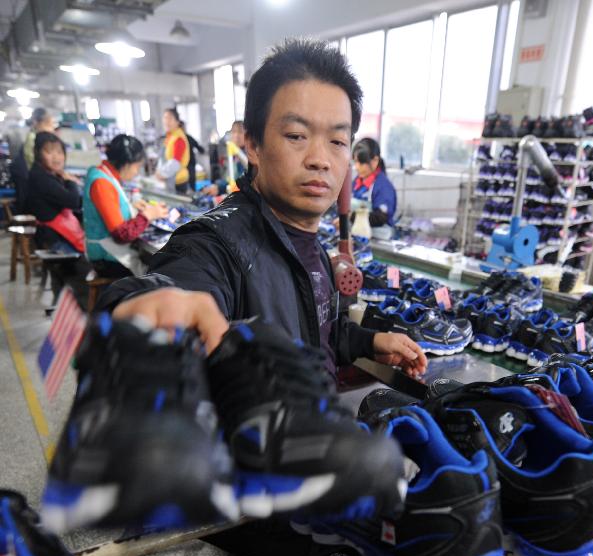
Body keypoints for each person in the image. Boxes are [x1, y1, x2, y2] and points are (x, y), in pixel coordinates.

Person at [100, 39, 427, 381]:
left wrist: (369, 341)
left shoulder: (310, 245)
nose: (319, 159)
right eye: (297, 135)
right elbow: (176, 286)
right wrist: (134, 312)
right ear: (254, 145)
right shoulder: (216, 247)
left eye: (337, 141)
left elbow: (316, 332)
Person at [83, 134, 169, 279]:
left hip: (109, 252)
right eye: (137, 167)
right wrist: (148, 215)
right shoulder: (102, 183)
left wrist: (132, 206)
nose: (136, 172)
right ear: (127, 164)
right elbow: (121, 234)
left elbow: (112, 205)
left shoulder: (104, 173)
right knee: (163, 276)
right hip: (107, 258)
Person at [26, 132, 83, 254]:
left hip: (57, 234)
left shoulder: (48, 174)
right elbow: (74, 201)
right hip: (54, 240)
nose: (56, 157)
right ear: (38, 154)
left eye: (59, 152)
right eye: (49, 152)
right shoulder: (41, 177)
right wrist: (70, 180)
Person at [352, 137, 397, 239]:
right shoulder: (357, 182)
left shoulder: (383, 187)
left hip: (379, 239)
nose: (357, 167)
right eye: (355, 162)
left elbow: (381, 218)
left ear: (375, 161)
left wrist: (351, 217)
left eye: (362, 163)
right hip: (360, 236)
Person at [202, 120, 248, 196]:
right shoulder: (231, 154)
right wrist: (217, 186)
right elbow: (228, 178)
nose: (236, 135)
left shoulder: (248, 156)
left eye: (240, 132)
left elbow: (244, 182)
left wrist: (221, 188)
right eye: (234, 132)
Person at [156, 108, 191, 195]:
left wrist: (162, 174)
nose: (167, 121)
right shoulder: (171, 136)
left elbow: (175, 163)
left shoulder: (178, 138)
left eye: (170, 119)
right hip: (171, 178)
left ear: (177, 122)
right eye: (165, 118)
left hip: (178, 181)